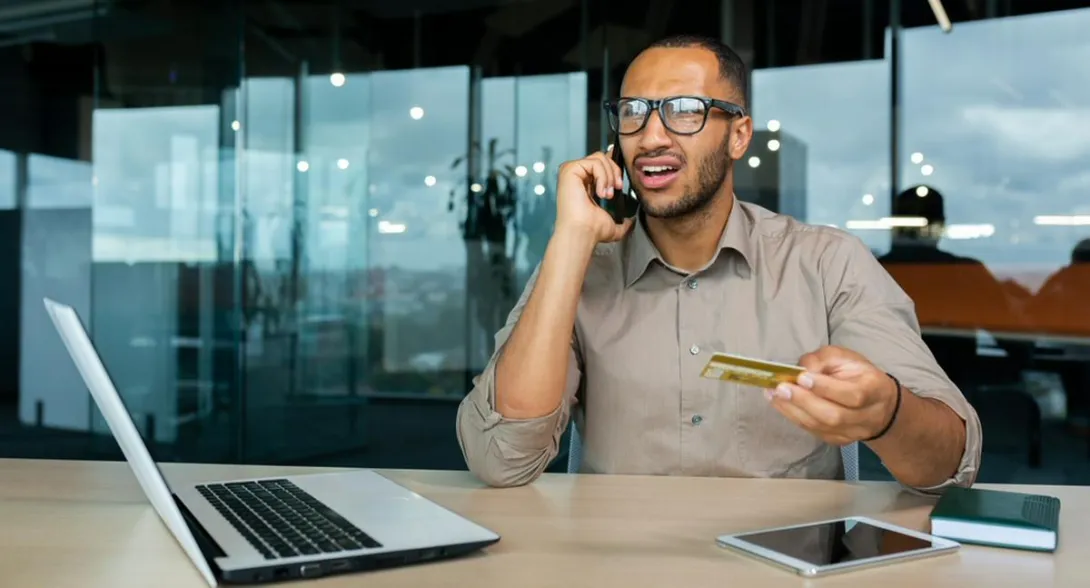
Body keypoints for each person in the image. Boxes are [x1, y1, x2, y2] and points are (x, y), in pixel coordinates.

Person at [455, 34, 980, 493]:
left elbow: (949, 466)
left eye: (685, 110)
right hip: (616, 567)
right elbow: (502, 458)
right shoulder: (583, 270)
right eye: (634, 112)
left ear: (739, 136)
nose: (652, 136)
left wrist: (887, 413)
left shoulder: (826, 263)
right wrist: (570, 239)